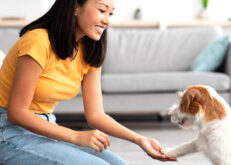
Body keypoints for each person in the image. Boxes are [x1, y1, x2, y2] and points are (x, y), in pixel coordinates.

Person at [0, 0, 176, 164]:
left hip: (46, 128)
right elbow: (17, 113)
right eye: (102, 10)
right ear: (76, 7)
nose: (107, 20)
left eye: (111, 14)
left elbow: (96, 115)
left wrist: (139, 139)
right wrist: (75, 136)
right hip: (8, 131)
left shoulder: (90, 48)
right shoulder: (38, 40)